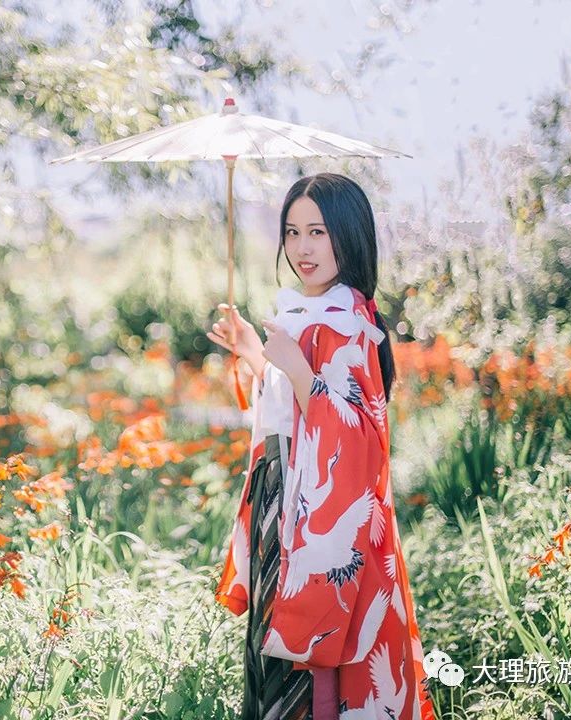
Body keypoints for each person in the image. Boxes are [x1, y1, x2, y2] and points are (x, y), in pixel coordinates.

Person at [208, 174, 437, 720]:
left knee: (316, 660)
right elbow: (288, 413)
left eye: (318, 232)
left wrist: (297, 370)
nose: (302, 248)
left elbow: (358, 441)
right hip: (280, 497)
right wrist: (254, 354)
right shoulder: (300, 313)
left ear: (348, 235)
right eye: (292, 232)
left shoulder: (349, 322)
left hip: (322, 515)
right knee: (275, 643)